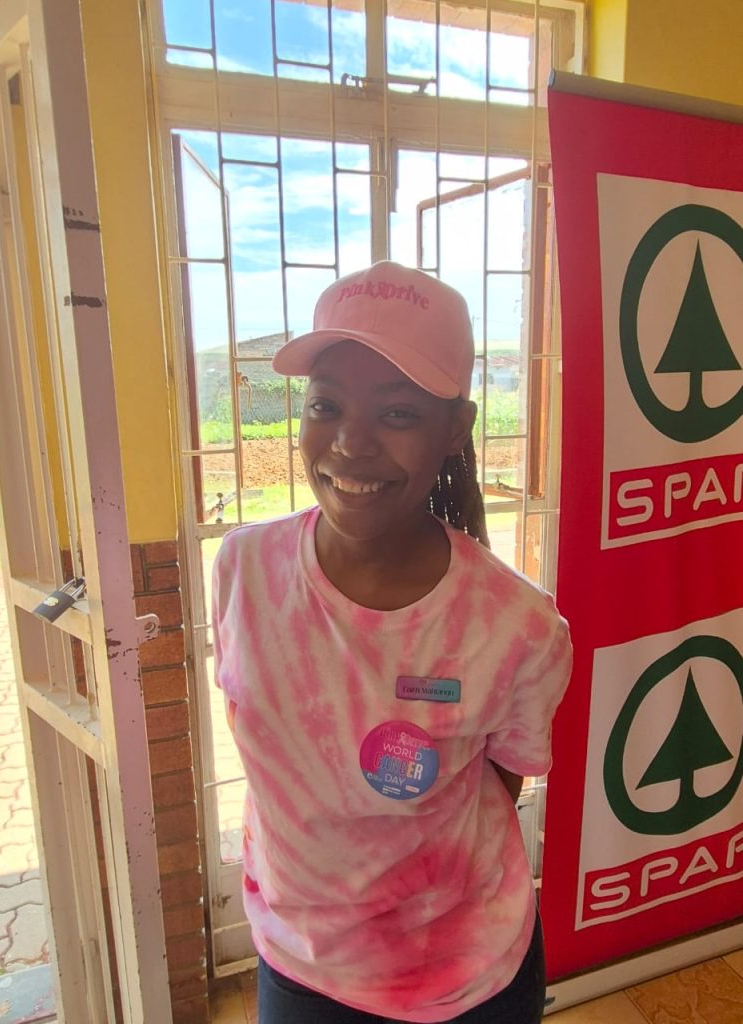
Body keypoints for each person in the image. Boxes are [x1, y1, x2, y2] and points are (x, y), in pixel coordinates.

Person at [212, 261, 572, 1024]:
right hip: (300, 967)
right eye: (326, 405)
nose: (351, 443)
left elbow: (499, 787)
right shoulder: (243, 570)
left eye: (398, 413)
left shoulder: (518, 626)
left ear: (455, 429)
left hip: (465, 978)